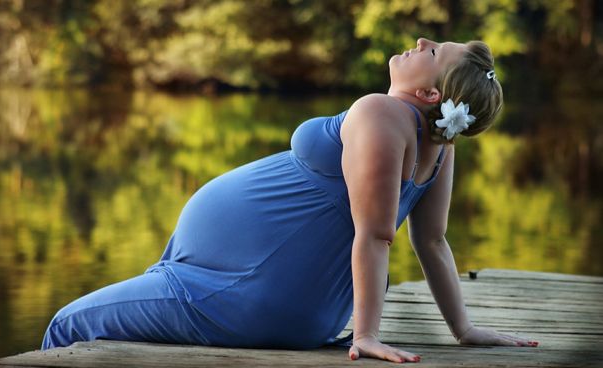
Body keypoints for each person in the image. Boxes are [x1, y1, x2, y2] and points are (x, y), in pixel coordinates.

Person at [41, 38, 539, 363]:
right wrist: (463, 328)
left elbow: (376, 233)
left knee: (67, 326)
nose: (421, 42)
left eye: (432, 52)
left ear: (431, 95)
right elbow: (432, 241)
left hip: (234, 292)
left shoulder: (381, 112)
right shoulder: (439, 145)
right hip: (268, 296)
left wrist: (365, 335)